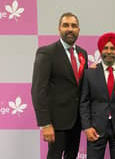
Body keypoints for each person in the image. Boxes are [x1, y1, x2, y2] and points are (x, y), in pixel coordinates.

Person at [31, 12, 88, 159]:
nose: (70, 29)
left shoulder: (83, 54)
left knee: (72, 156)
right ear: (59, 28)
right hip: (55, 123)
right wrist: (45, 124)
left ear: (78, 30)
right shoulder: (46, 53)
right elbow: (38, 90)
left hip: (76, 121)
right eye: (66, 25)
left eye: (74, 26)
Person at [80, 32, 115, 159]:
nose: (109, 51)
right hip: (95, 128)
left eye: (112, 48)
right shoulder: (89, 73)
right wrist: (87, 127)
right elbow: (84, 102)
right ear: (100, 50)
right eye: (106, 48)